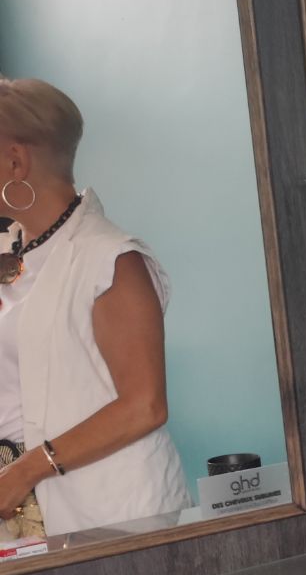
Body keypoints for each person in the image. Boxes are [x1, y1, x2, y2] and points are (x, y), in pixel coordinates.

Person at [0, 77, 190, 539]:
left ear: (16, 161)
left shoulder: (111, 259)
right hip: (22, 507)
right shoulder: (16, 249)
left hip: (113, 513)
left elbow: (144, 406)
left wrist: (26, 470)